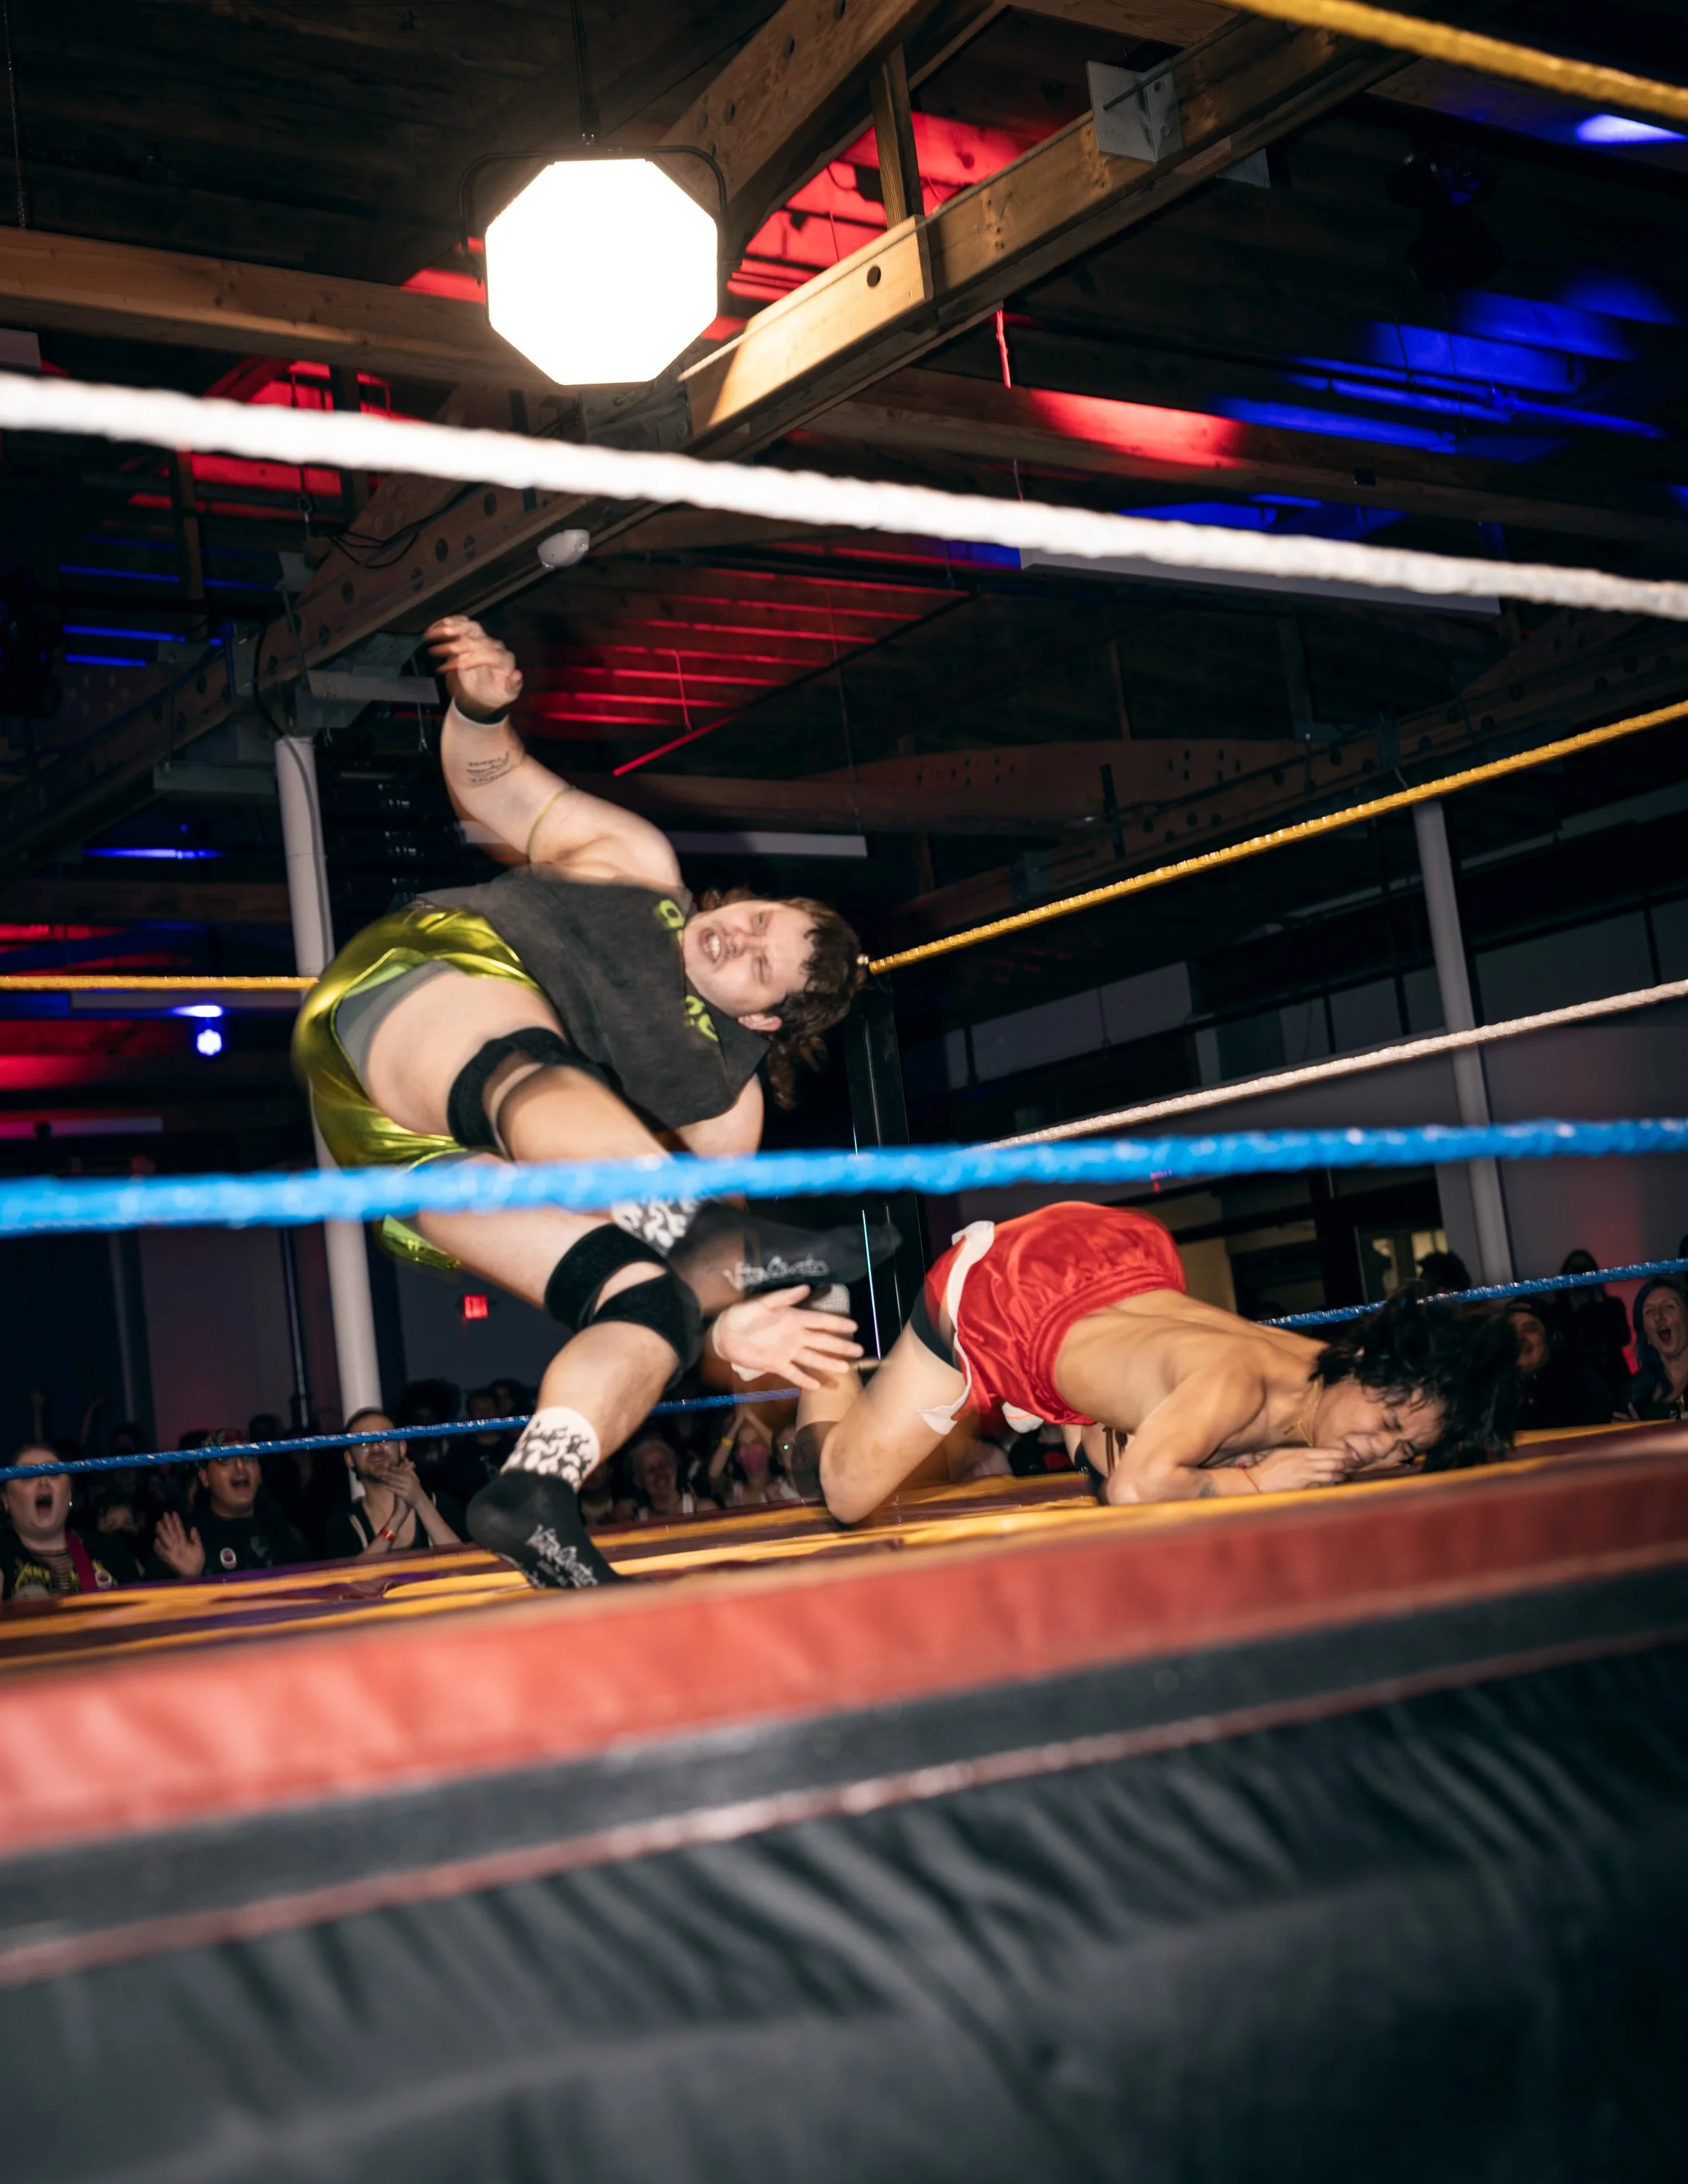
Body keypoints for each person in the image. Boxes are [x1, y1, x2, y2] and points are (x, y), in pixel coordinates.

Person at [291, 616, 872, 1590]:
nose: (735, 940)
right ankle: (699, 1263)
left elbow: (707, 1251)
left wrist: (722, 1325)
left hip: (419, 1165)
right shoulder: (635, 866)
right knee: (530, 1071)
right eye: (756, 921)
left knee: (650, 1305)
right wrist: (480, 705)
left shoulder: (724, 1109)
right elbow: (492, 780)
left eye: (758, 966)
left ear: (767, 1024)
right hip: (415, 999)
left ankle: (537, 1488)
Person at [796, 1203, 1520, 1519]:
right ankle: (815, 1322)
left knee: (1130, 1449)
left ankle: (1074, 1414)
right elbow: (1137, 1492)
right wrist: (1260, 1483)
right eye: (1388, 1417)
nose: (1377, 1448)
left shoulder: (1324, 1378)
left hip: (1115, 1269)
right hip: (1007, 1301)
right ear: (1364, 1365)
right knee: (844, 1493)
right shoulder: (1241, 1386)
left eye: (1404, 1448)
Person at [151, 1436, 312, 1578]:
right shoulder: (183, 1543)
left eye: (248, 1456)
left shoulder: (287, 1537)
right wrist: (192, 1580)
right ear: (205, 1477)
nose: (240, 1465)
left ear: (259, 1473)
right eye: (225, 1458)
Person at [0, 1444, 141, 1599]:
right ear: (5, 1499)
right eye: (27, 1475)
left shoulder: (109, 1550)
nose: (43, 1481)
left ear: (69, 1494)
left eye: (53, 1473)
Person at [326, 1409, 463, 1560]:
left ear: (402, 1448)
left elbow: (465, 1564)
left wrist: (420, 1502)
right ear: (349, 1459)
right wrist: (396, 1519)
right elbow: (352, 1578)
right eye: (363, 1443)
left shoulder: (442, 1504)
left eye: (385, 1439)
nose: (376, 1448)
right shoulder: (345, 1522)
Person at [1504, 1303, 1615, 1432]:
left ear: (1551, 1336)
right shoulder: (1495, 1393)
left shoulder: (1583, 1387)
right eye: (1510, 1330)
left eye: (1529, 1328)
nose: (1519, 1337)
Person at [1550, 1250, 1632, 1407]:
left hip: (1614, 1380)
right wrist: (1574, 1308)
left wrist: (1601, 1303)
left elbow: (1623, 1338)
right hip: (1575, 1384)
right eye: (1576, 1271)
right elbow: (1560, 1349)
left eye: (1585, 1270)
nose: (1581, 1276)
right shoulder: (1557, 1311)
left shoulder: (1612, 1305)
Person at [706, 1412, 803, 1508]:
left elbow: (781, 1444)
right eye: (743, 1445)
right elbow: (714, 1474)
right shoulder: (733, 1491)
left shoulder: (783, 1485)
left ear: (768, 1449)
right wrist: (736, 1425)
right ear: (737, 1455)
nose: (750, 1450)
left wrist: (750, 1416)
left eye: (756, 1442)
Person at [1630, 1277, 1688, 1421]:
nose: (1658, 1316)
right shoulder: (1636, 1396)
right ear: (1647, 1336)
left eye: (1669, 1306)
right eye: (1649, 1311)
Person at [626, 1431, 702, 1523]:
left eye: (664, 1465)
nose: (660, 1475)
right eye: (651, 1470)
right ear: (639, 1482)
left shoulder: (702, 1511)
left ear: (675, 1466)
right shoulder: (636, 1523)